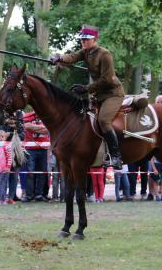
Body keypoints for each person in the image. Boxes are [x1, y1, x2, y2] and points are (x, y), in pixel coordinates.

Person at [51, 25, 125, 168]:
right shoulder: (86, 52)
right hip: (99, 94)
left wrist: (86, 88)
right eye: (82, 39)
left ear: (95, 39)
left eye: (86, 39)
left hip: (112, 94)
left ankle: (116, 157)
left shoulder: (105, 54)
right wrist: (58, 57)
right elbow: (71, 57)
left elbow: (107, 79)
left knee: (103, 120)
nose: (83, 42)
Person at [22, 112, 49, 202]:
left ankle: (39, 194)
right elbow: (27, 126)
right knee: (30, 173)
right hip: (30, 149)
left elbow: (48, 129)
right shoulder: (28, 115)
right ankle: (29, 195)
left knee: (42, 172)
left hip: (43, 148)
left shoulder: (46, 114)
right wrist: (42, 127)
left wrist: (34, 128)